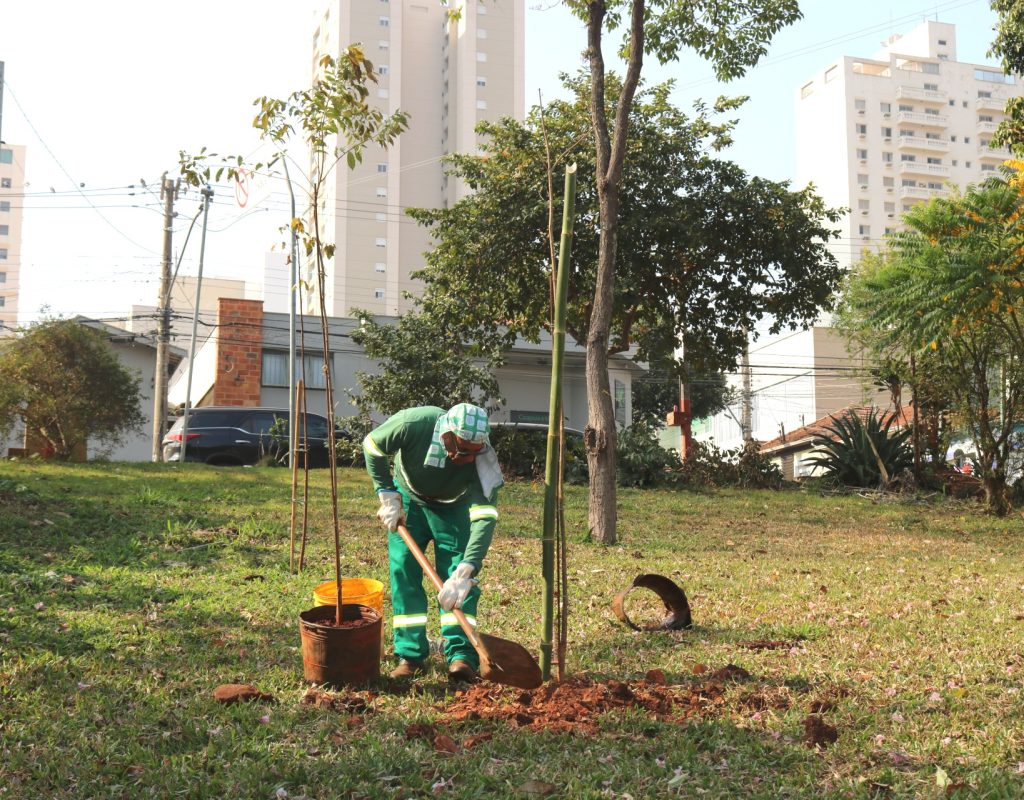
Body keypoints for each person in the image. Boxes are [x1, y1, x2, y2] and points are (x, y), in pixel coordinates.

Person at [362, 402, 503, 682]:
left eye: (473, 452)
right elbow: (372, 445)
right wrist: (386, 493)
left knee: (459, 584)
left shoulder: (481, 463)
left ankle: (462, 655)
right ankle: (410, 655)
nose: (467, 458)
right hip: (410, 501)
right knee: (404, 572)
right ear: (447, 435)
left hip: (454, 510)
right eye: (462, 449)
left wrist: (467, 568)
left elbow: (484, 517)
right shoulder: (414, 424)